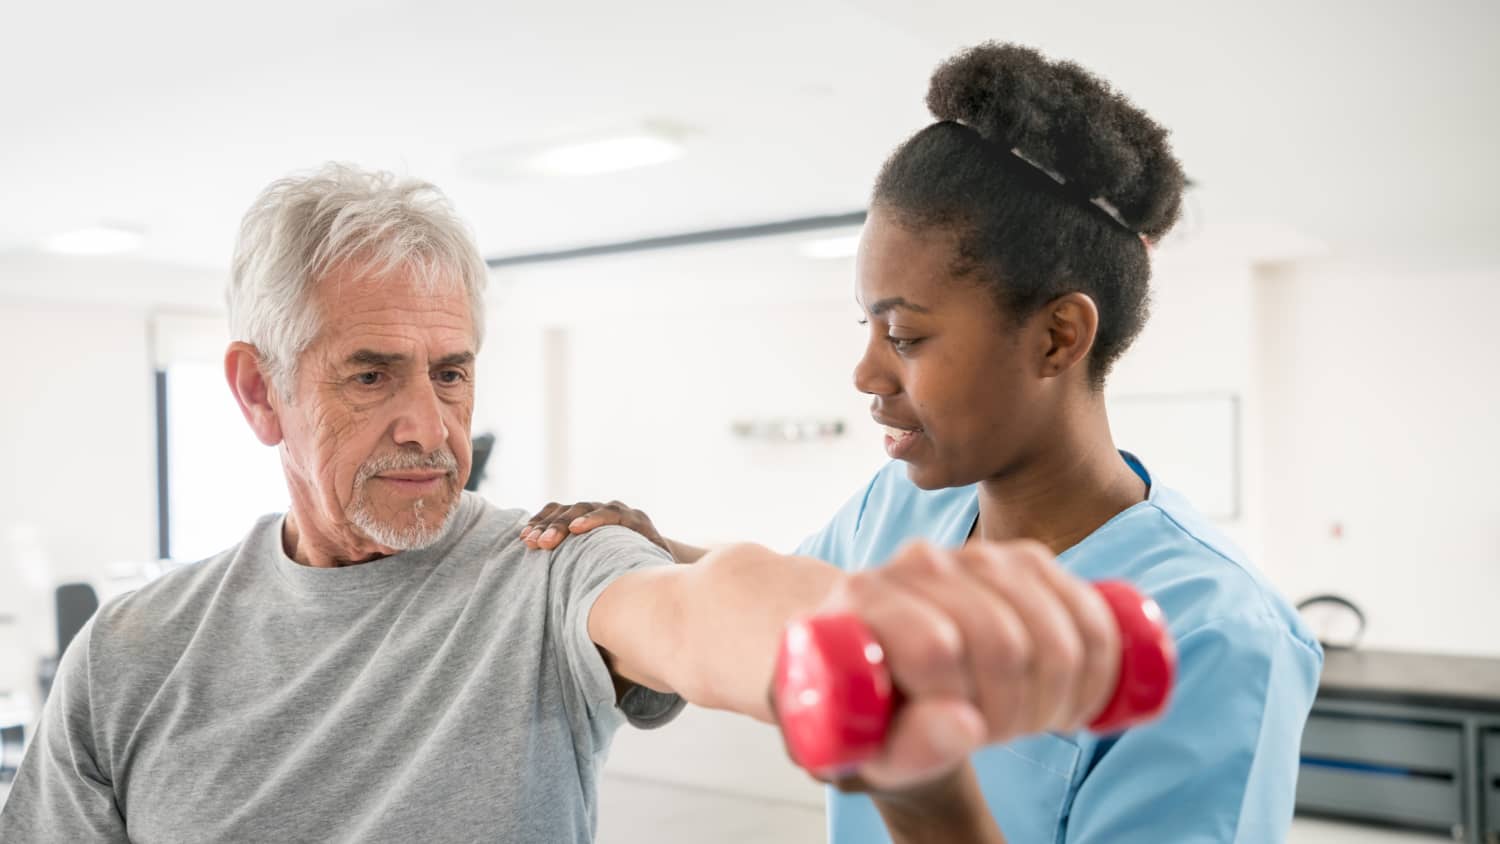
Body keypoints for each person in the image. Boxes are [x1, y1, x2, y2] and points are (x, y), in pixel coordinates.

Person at [0, 162, 1125, 844]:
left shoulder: (546, 565)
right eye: (370, 372)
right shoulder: (134, 653)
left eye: (451, 371)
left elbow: (702, 612)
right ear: (258, 391)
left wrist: (870, 634)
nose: (428, 425)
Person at [523, 42, 1324, 842]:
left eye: (903, 335)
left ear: (1057, 337)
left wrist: (923, 791)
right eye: (866, 326)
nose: (866, 372)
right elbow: (792, 599)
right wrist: (654, 551)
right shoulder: (897, 508)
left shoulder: (1214, 637)